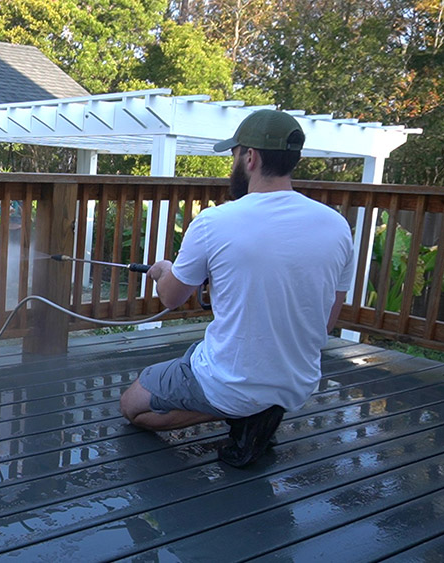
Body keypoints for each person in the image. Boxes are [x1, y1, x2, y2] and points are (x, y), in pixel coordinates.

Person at [119, 109, 356, 467]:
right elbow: (324, 324)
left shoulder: (216, 221)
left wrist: (163, 270)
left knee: (132, 407)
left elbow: (170, 297)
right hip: (297, 381)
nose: (233, 162)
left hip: (229, 379)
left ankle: (244, 411)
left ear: (250, 157)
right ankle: (259, 410)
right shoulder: (337, 226)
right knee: (222, 371)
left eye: (234, 154)